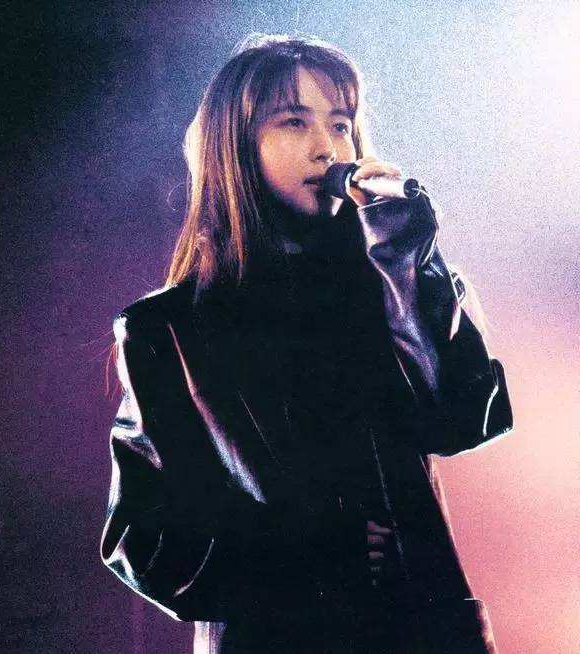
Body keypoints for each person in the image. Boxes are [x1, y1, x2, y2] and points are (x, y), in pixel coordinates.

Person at [100, 33, 513, 654]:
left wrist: (405, 263)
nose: (327, 147)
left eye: (341, 124)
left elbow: (460, 417)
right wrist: (303, 552)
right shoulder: (168, 329)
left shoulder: (394, 284)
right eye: (294, 122)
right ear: (236, 145)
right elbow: (142, 539)